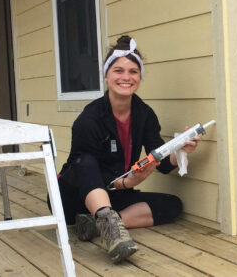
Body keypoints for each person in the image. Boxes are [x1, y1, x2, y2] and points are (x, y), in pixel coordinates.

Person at [52, 35, 200, 263]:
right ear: (106, 75)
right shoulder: (89, 119)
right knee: (86, 161)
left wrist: (181, 151)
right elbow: (83, 171)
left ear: (139, 77)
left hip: (114, 195)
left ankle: (97, 225)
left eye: (133, 71)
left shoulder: (145, 114)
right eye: (118, 70)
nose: (126, 77)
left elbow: (158, 161)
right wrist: (124, 183)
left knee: (172, 204)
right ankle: (111, 231)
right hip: (72, 197)